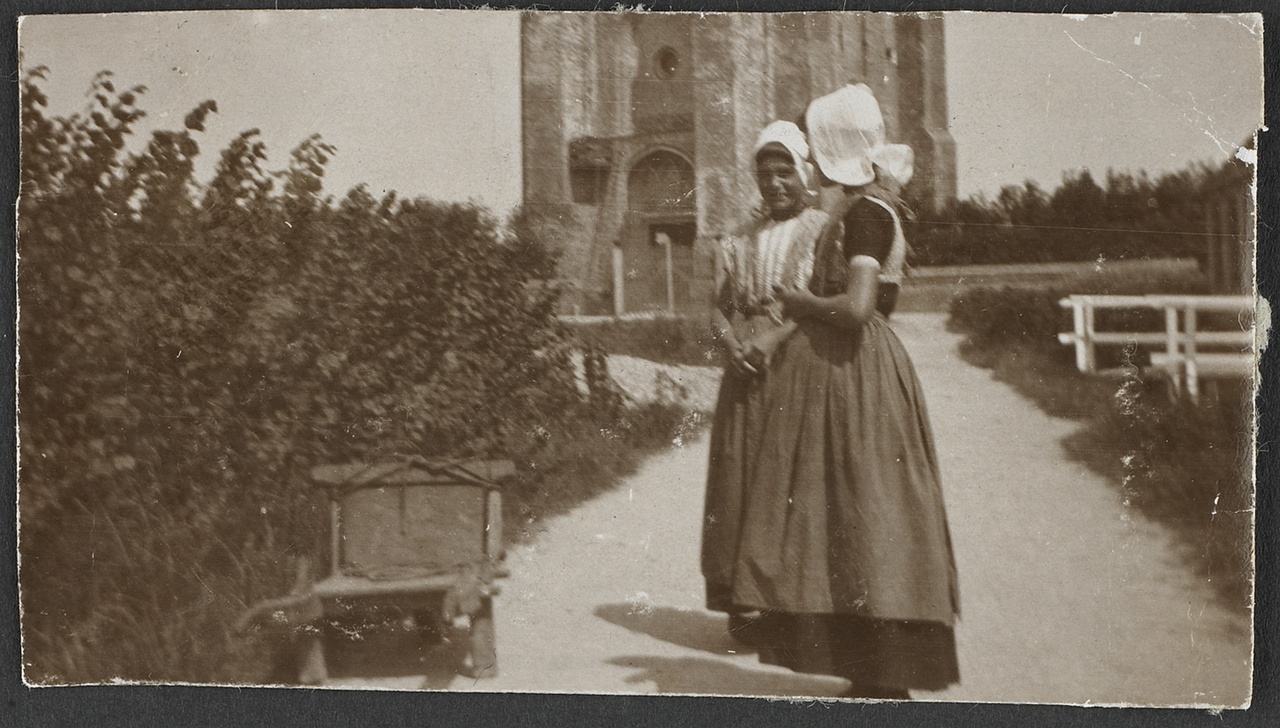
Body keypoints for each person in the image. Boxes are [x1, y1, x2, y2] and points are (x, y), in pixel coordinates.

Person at [728, 84, 961, 700]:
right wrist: (780, 339)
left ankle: (887, 675)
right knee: (850, 514)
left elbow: (858, 308)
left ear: (830, 151)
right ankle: (869, 670)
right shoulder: (863, 208)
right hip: (847, 378)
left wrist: (801, 301)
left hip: (859, 377)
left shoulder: (864, 213)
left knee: (871, 512)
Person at [702, 121, 829, 637]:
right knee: (739, 476)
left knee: (792, 479)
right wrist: (731, 343)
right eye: (765, 173)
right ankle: (743, 603)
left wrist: (773, 337)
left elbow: (821, 304)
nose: (775, 183)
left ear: (804, 174)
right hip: (743, 368)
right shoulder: (738, 238)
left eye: (785, 172)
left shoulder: (823, 228)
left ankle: (792, 603)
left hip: (797, 361)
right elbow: (717, 305)